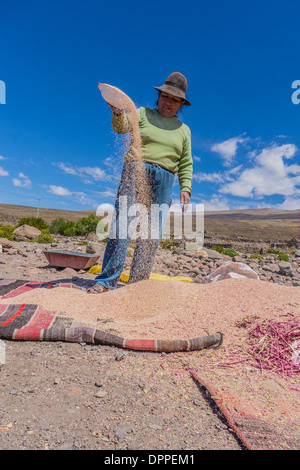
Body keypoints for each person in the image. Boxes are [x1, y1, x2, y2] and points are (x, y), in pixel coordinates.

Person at [87, 72, 193, 294]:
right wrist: (117, 111)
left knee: (150, 234)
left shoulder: (184, 131)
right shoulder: (142, 113)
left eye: (175, 100)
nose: (168, 102)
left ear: (181, 104)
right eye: (165, 97)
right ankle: (107, 281)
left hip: (165, 180)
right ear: (159, 96)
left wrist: (186, 187)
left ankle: (137, 286)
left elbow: (185, 162)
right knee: (122, 227)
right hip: (136, 170)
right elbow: (121, 127)